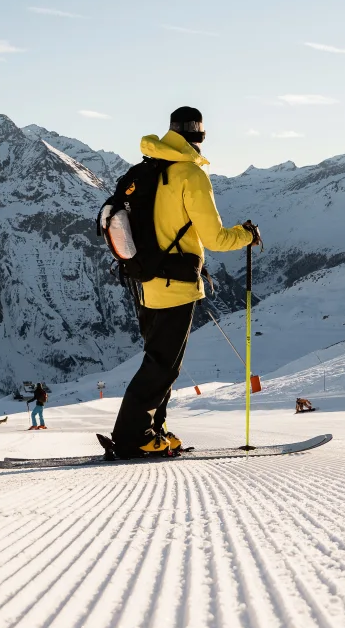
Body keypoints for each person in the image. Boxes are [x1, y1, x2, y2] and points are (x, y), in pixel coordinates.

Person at [107, 106, 261, 458]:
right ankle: (131, 436)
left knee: (161, 362)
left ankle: (152, 431)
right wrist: (246, 236)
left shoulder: (146, 170)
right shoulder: (190, 176)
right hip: (175, 285)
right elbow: (216, 238)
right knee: (161, 366)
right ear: (199, 137)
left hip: (143, 282)